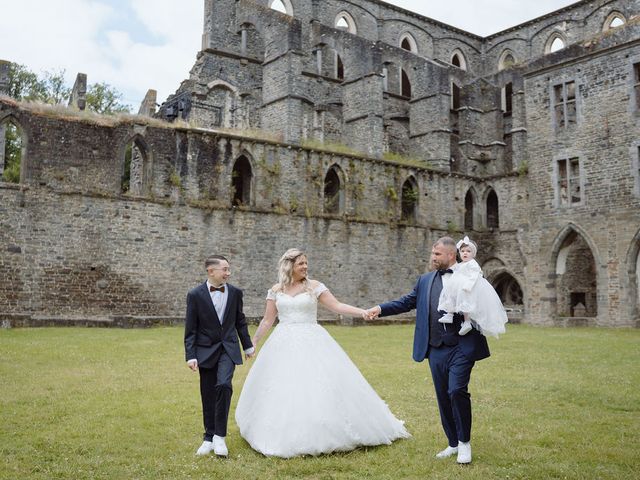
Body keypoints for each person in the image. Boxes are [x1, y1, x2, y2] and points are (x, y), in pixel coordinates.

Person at [235, 248, 410, 458]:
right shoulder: (276, 289)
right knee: (282, 386)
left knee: (318, 384)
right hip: (282, 342)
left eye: (306, 263)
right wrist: (254, 342)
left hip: (312, 339)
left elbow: (336, 306)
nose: (305, 267)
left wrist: (362, 312)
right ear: (289, 265)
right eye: (301, 263)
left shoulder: (315, 287)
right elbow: (267, 320)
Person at [366, 237, 490, 464]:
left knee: (456, 391)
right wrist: (380, 308)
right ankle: (452, 443)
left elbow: (483, 304)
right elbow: (406, 302)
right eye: (432, 254)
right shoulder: (425, 280)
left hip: (462, 346)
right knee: (443, 396)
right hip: (435, 348)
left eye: (438, 254)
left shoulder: (470, 276)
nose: (433, 258)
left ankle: (464, 443)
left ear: (451, 255)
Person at [184, 255, 255, 457]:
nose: (228, 273)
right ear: (211, 271)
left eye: (228, 269)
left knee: (224, 385)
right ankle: (208, 437)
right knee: (207, 393)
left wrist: (248, 345)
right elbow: (191, 328)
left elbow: (240, 321)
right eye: (224, 269)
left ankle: (220, 437)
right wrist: (191, 355)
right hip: (205, 350)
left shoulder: (235, 293)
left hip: (228, 348)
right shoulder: (195, 295)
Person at [438, 236, 508, 337]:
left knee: (466, 304)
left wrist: (468, 285)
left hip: (468, 287)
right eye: (462, 251)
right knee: (450, 296)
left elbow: (475, 275)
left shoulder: (472, 264)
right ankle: (449, 314)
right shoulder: (460, 264)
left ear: (473, 254)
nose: (465, 253)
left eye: (468, 251)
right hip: (456, 285)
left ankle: (467, 322)